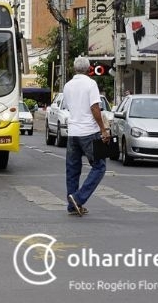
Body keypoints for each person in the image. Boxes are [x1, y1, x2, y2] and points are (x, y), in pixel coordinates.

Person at [63, 56, 110, 217]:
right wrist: (103, 129)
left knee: (72, 170)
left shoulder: (67, 86)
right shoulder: (91, 84)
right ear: (89, 69)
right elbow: (95, 108)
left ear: (74, 69)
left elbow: (69, 107)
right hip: (89, 132)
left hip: (73, 133)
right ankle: (78, 198)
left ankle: (72, 205)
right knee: (100, 166)